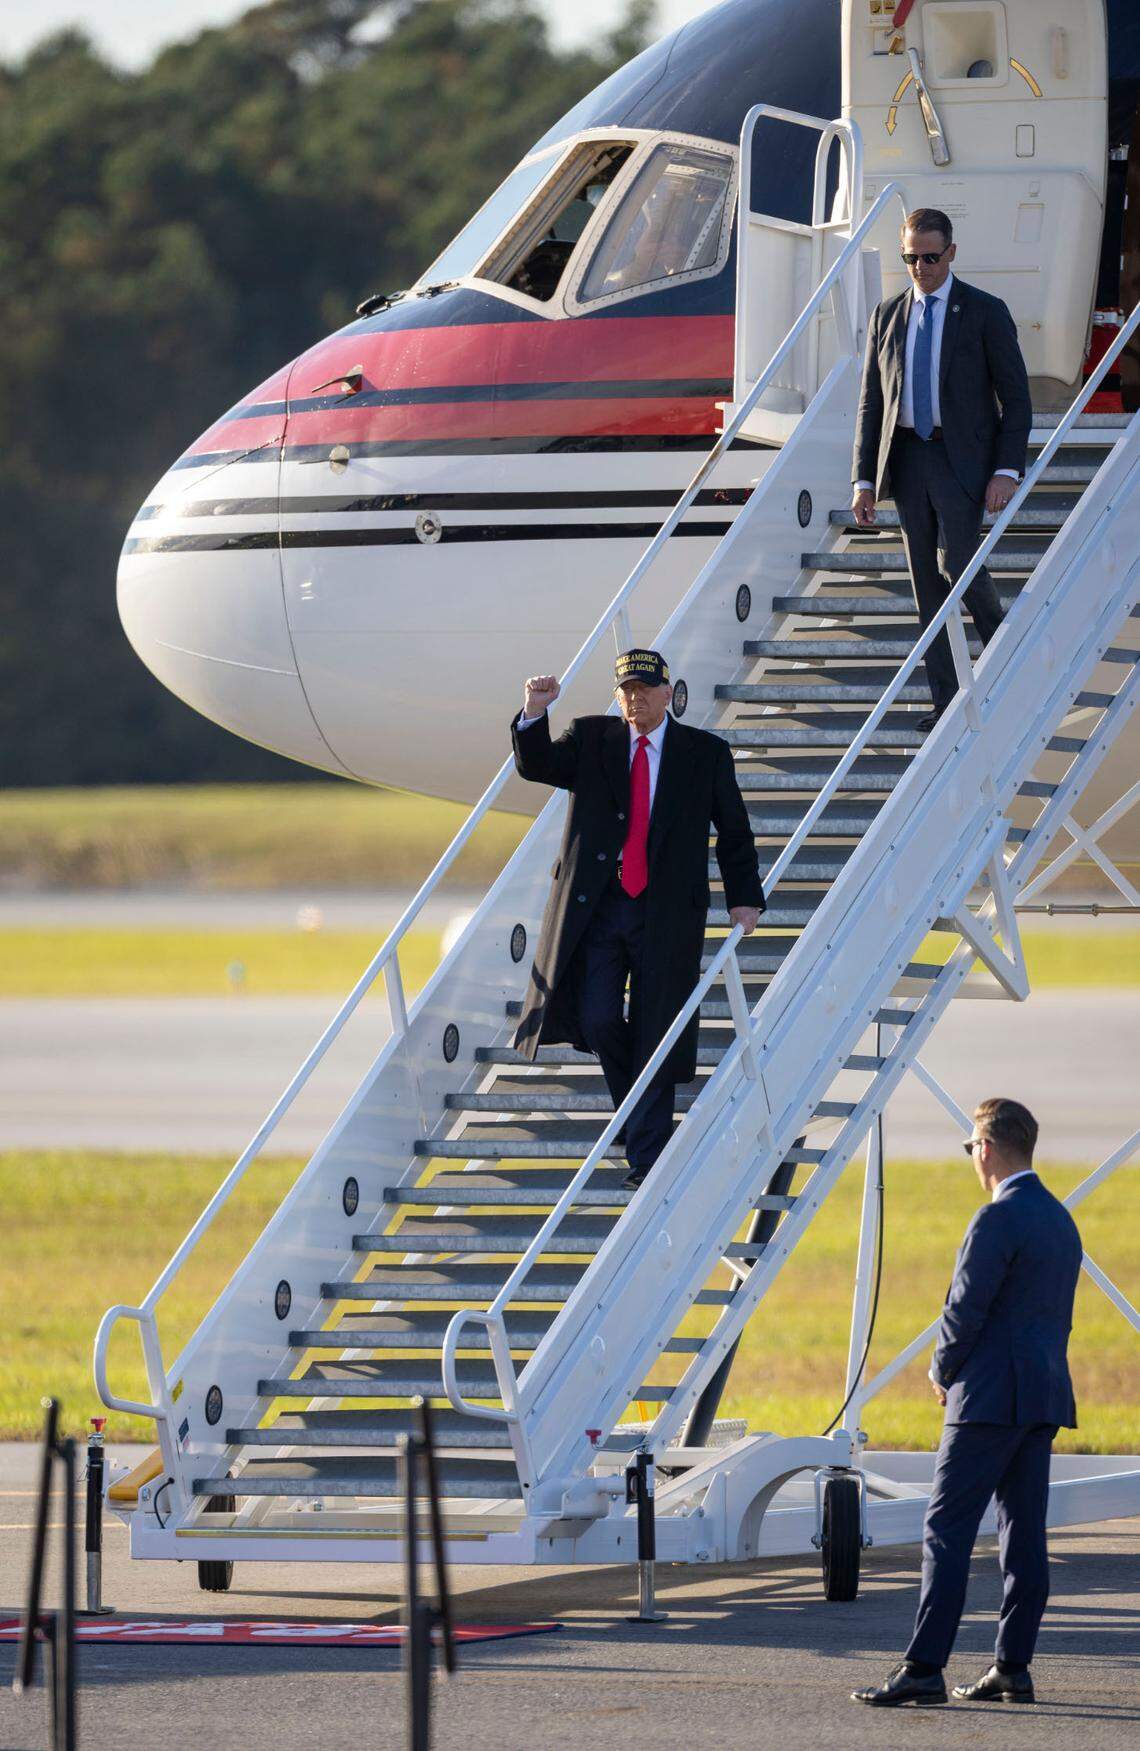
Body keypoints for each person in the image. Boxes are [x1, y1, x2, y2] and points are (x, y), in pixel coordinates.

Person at [853, 1098, 1083, 1709]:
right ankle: (1012, 1666)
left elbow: (965, 1309)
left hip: (987, 1397)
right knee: (1022, 1534)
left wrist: (941, 1370)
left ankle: (924, 1667)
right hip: (1041, 1396)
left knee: (946, 1529)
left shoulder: (995, 1218)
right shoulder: (1060, 1219)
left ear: (986, 1148)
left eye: (970, 1147)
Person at [511, 649, 764, 1190]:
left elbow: (734, 830)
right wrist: (534, 712)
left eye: (645, 689)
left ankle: (647, 1159)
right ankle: (637, 1117)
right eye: (627, 689)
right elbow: (538, 765)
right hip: (602, 909)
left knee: (657, 1029)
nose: (635, 698)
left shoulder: (704, 753)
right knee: (598, 1018)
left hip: (667, 914)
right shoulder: (591, 739)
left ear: (668, 694)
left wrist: (744, 897)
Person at [852, 208, 1033, 731]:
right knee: (925, 584)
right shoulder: (887, 315)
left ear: (951, 252)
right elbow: (871, 402)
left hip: (962, 460)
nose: (920, 267)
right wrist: (863, 479)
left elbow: (1016, 399)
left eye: (930, 257)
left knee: (958, 562)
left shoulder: (984, 311)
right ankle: (947, 699)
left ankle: (1003, 649)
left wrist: (1007, 469)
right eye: (910, 257)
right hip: (908, 458)